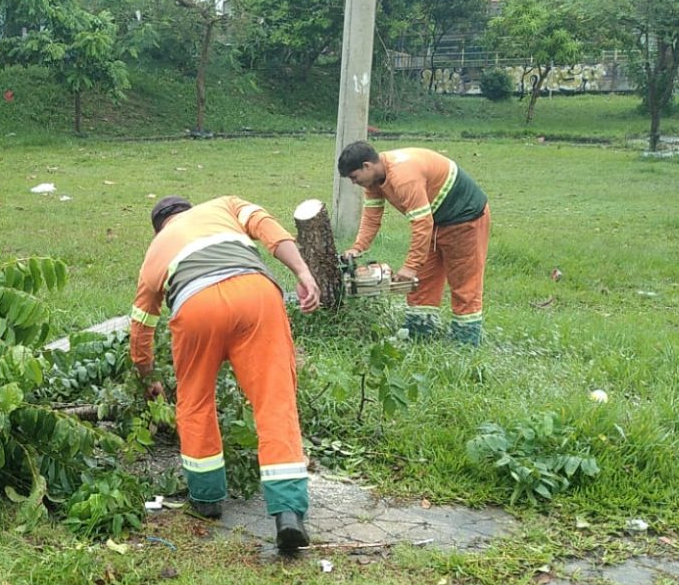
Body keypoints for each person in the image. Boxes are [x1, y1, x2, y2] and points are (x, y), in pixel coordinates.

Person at [129, 195, 321, 552]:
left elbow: (141, 326)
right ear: (190, 209)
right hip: (257, 295)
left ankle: (207, 500)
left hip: (195, 307)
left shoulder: (156, 251)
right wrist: (303, 272)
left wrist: (147, 373)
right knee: (274, 401)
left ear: (159, 227)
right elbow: (271, 231)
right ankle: (289, 514)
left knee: (195, 401)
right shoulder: (225, 205)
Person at [337, 142, 491, 344]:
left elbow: (421, 223)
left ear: (367, 166)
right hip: (436, 220)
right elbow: (372, 217)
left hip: (465, 216)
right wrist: (358, 248)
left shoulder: (403, 178)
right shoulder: (374, 181)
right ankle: (420, 333)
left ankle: (466, 341)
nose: (354, 183)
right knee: (423, 280)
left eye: (354, 177)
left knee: (463, 283)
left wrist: (410, 266)